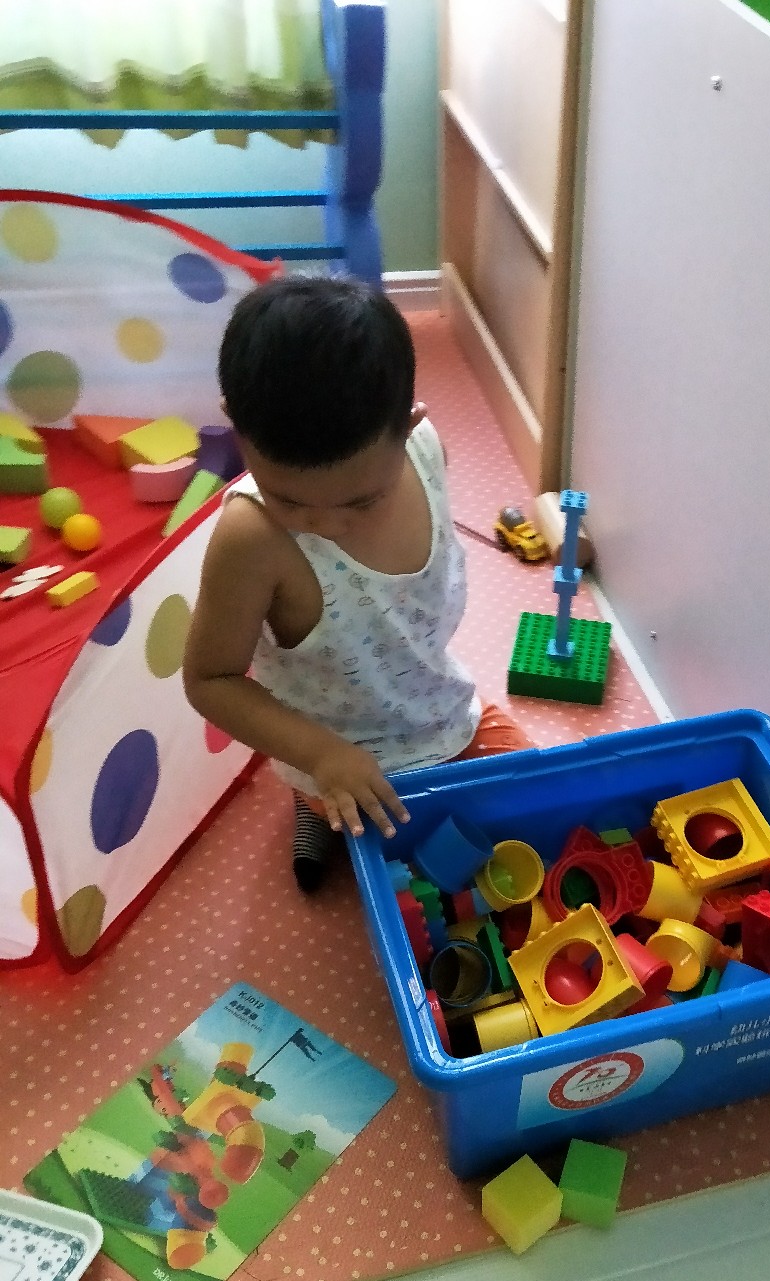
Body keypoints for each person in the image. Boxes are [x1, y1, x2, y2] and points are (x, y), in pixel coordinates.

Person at [183, 275, 533, 892]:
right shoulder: (252, 539)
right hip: (339, 753)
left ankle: (326, 810)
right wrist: (321, 756)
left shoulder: (426, 452)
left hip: (445, 711)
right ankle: (311, 802)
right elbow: (210, 679)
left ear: (411, 427)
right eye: (289, 499)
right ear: (236, 428)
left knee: (537, 807)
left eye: (361, 501)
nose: (324, 524)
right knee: (424, 876)